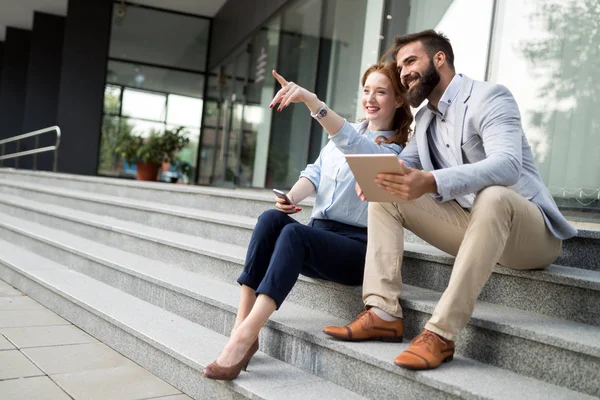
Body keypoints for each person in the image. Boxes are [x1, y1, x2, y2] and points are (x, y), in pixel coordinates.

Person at [323, 30, 577, 370]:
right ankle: (383, 312)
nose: (404, 73)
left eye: (411, 61)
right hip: (473, 229)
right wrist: (381, 177)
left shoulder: (490, 97)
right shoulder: (425, 117)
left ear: (439, 59)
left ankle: (440, 333)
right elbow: (408, 164)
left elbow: (508, 165)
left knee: (494, 195)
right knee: (386, 195)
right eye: (400, 68)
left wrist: (431, 181)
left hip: (530, 237)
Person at [203, 62, 414, 380]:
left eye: (381, 92)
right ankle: (242, 327)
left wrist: (313, 102)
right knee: (271, 219)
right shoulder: (351, 130)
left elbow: (357, 149)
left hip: (357, 248)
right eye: (366, 90)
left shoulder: (400, 150)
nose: (370, 98)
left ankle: (245, 336)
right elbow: (315, 172)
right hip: (320, 236)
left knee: (293, 237)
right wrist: (291, 198)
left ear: (399, 100)